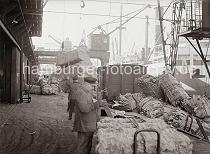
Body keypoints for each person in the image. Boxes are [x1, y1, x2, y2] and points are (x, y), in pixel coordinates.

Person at [68, 75, 102, 154]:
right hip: (84, 125)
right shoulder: (81, 93)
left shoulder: (87, 92)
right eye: (93, 86)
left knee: (87, 146)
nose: (94, 88)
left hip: (88, 124)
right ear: (87, 84)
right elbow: (84, 108)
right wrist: (97, 104)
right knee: (82, 146)